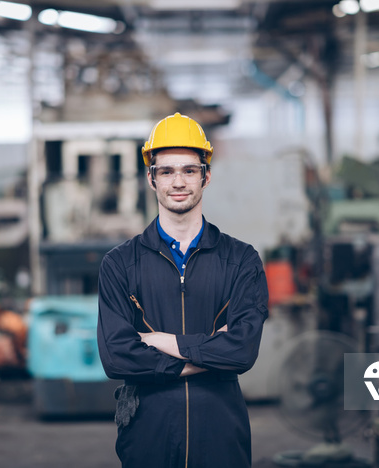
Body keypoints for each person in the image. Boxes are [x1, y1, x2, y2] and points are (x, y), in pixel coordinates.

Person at [97, 112, 269, 468]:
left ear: (206, 176)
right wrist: (206, 354)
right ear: (151, 178)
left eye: (189, 170)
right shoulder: (119, 264)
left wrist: (160, 340)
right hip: (149, 436)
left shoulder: (241, 260)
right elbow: (116, 357)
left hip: (221, 436)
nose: (178, 181)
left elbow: (241, 351)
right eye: (167, 171)